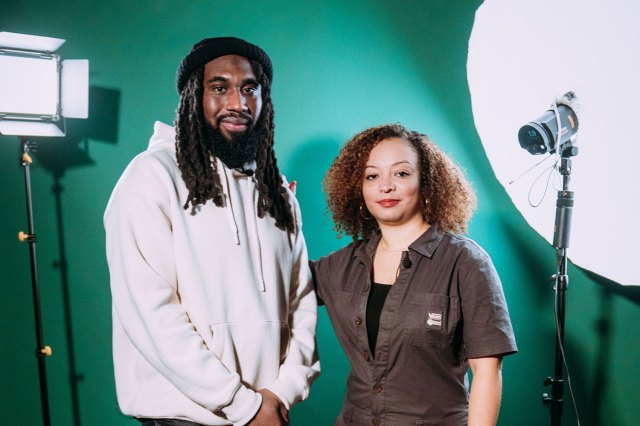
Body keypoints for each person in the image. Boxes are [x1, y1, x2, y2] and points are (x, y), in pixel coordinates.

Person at [104, 37, 320, 426]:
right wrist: (242, 405)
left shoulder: (277, 194)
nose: (238, 103)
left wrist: (282, 392)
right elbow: (151, 312)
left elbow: (301, 301)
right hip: (185, 418)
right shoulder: (151, 177)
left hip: (270, 410)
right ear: (193, 97)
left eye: (249, 89)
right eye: (219, 88)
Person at [312, 124, 517, 425]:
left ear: (427, 182)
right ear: (359, 188)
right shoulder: (341, 266)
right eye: (372, 176)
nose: (385, 187)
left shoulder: (466, 262)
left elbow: (486, 371)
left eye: (401, 173)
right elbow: (276, 280)